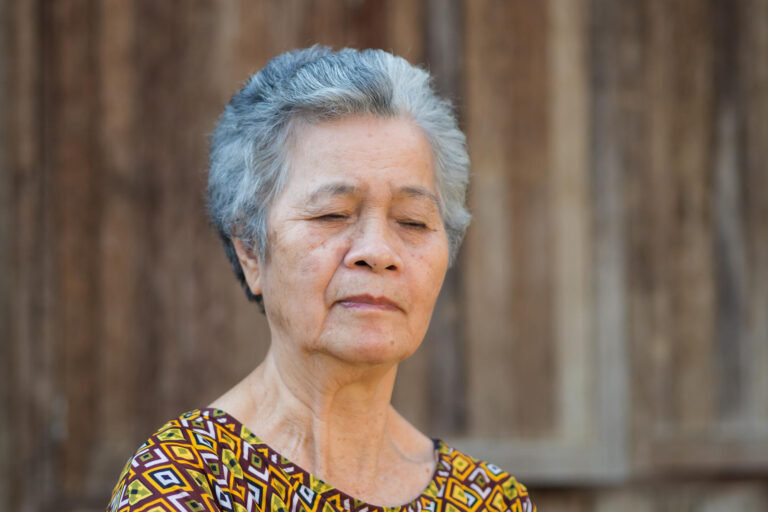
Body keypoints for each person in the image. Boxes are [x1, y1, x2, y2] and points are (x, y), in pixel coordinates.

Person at [108, 46, 535, 512]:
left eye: (412, 221)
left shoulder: (490, 499)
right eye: (332, 214)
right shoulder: (183, 485)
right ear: (251, 249)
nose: (378, 252)